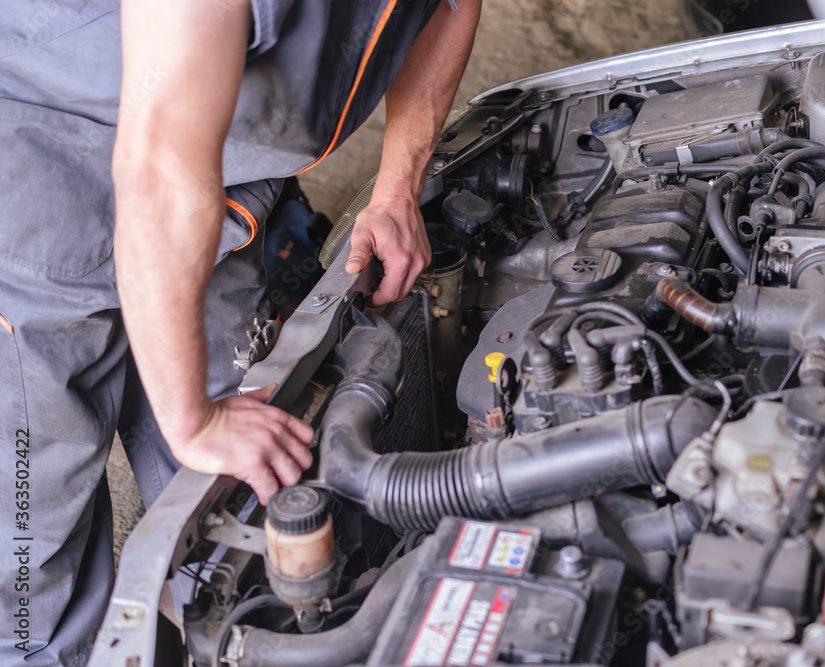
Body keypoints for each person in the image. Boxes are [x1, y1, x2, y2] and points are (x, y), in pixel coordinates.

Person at [0, 0, 481, 663]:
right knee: (30, 559)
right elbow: (159, 178)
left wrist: (397, 187)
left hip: (214, 178)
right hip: (34, 193)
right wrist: (193, 420)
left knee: (250, 491)